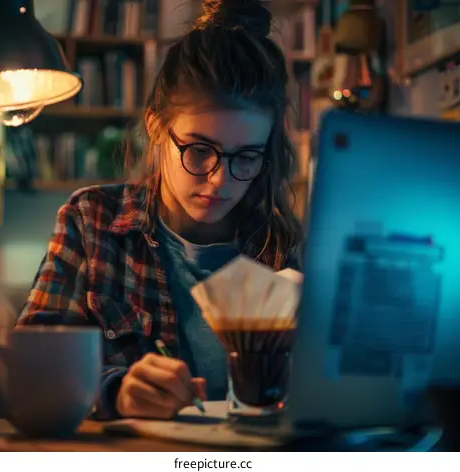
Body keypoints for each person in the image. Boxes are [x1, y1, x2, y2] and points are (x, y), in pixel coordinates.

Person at [16, 0, 303, 421]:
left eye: (246, 157)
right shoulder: (92, 221)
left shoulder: (278, 245)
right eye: (200, 150)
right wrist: (115, 391)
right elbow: (29, 369)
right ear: (155, 127)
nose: (220, 180)